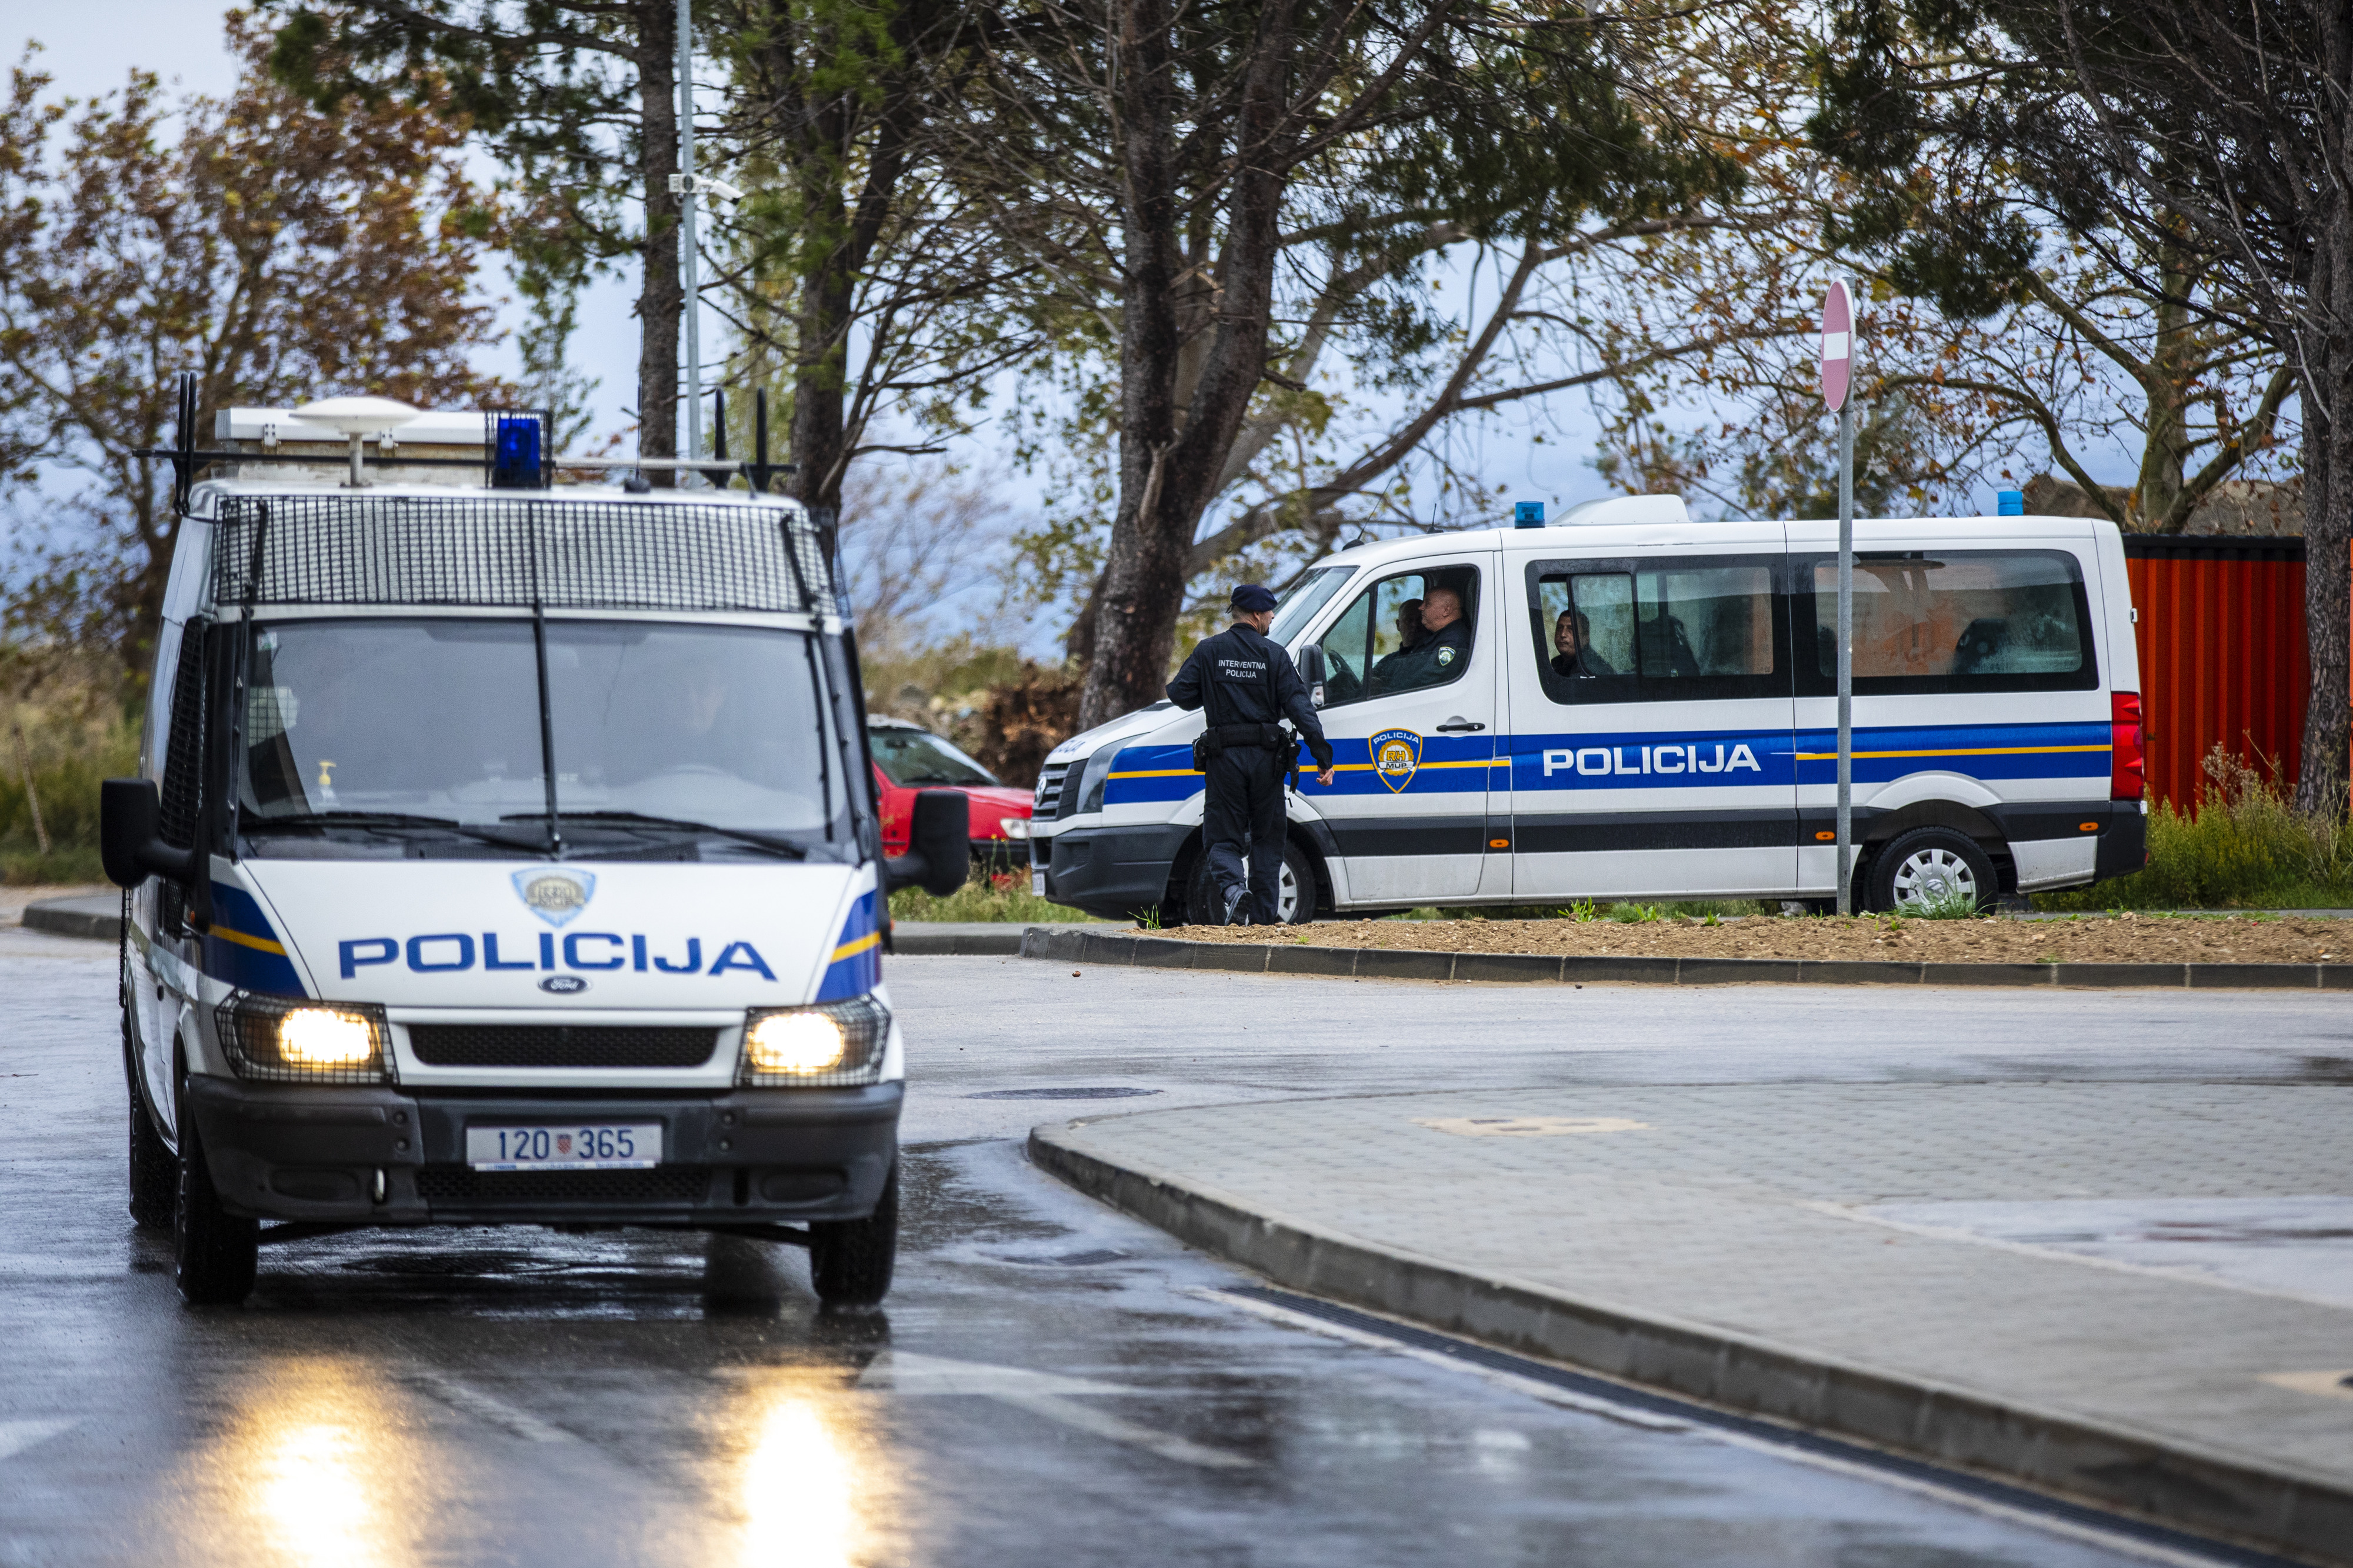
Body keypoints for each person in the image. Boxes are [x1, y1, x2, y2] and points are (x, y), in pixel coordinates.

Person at [1167, 584, 1337, 925]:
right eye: (1271, 612)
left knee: (1222, 836)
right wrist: (1323, 757)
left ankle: (1233, 891)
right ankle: (1262, 916)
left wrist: (1217, 689)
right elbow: (1302, 710)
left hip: (1224, 760)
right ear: (1257, 615)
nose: (1273, 617)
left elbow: (1180, 694)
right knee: (1268, 839)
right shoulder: (1275, 655)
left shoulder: (1209, 651)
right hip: (1267, 762)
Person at [1368, 585, 1471, 693]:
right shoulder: (1438, 640)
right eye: (1409, 620)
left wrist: (1383, 691)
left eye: (1428, 603)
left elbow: (1423, 683)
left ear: (1446, 610)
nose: (1421, 607)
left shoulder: (1453, 642)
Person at [1551, 608, 1615, 677]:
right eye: (1559, 628)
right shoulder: (1558, 664)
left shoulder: (1589, 668)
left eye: (1571, 629)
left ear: (1585, 638)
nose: (1563, 634)